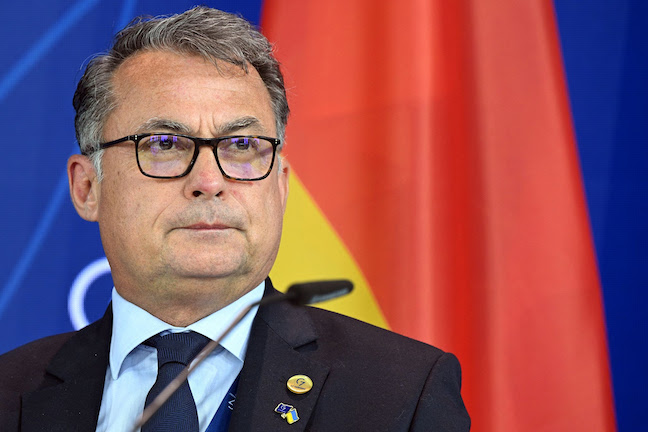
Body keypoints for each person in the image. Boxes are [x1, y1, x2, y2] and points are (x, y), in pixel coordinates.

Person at [0, 6, 470, 431]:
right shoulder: (9, 393)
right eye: (164, 144)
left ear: (280, 186)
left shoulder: (401, 394)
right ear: (87, 188)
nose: (209, 180)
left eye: (242, 146)